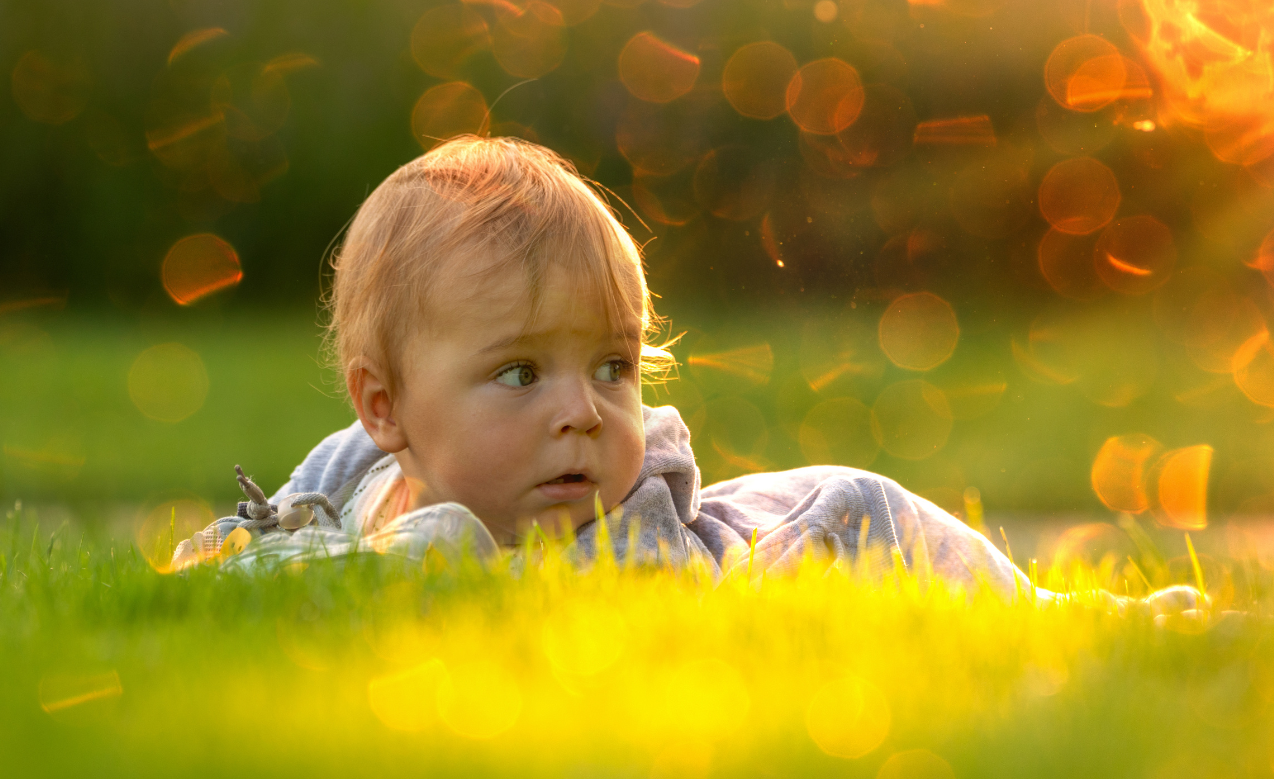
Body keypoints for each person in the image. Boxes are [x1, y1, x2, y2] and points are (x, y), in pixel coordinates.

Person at [173, 136, 1202, 615]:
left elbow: (535, 626)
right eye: (522, 372)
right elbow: (260, 549)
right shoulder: (354, 468)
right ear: (385, 407)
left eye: (612, 366)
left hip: (817, 536)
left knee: (1006, 607)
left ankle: (1114, 618)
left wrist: (439, 559)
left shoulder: (632, 548)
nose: (582, 413)